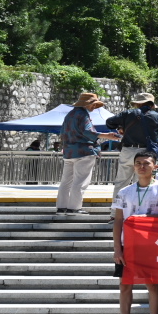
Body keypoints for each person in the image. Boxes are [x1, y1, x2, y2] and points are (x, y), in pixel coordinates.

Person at [102, 148, 158, 314]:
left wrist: (146, 218)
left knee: (151, 284)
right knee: (125, 285)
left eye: (146, 163)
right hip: (128, 244)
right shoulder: (125, 191)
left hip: (151, 244)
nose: (142, 167)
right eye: (138, 163)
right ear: (134, 167)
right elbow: (118, 220)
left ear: (155, 166)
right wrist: (117, 248)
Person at [104, 92, 158, 193]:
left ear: (138, 103)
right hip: (146, 152)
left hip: (128, 150)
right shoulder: (157, 117)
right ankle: (139, 207)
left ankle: (116, 207)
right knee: (141, 181)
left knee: (121, 182)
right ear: (151, 104)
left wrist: (120, 127)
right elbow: (157, 136)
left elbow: (109, 122)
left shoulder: (128, 113)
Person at [56, 90, 101, 218]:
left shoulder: (70, 115)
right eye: (93, 104)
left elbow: (63, 133)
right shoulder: (83, 115)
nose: (94, 107)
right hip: (84, 152)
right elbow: (88, 132)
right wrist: (105, 135)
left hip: (69, 152)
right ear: (86, 104)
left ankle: (61, 207)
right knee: (80, 181)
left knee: (66, 182)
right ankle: (74, 208)